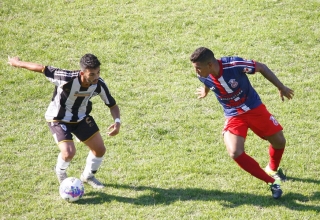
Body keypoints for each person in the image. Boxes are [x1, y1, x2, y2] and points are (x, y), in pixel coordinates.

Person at [190, 47, 294, 199]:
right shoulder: (203, 74)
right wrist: (205, 92)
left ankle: (272, 168)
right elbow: (207, 81)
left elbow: (261, 67)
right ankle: (272, 182)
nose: (196, 72)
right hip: (234, 115)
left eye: (198, 68)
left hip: (253, 107)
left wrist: (281, 87)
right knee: (234, 152)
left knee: (279, 142)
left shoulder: (233, 64)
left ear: (210, 65)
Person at [8, 54, 121, 189]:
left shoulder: (99, 84)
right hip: (58, 118)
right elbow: (42, 68)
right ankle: (61, 173)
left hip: (80, 118)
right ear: (82, 73)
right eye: (92, 74)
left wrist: (117, 121)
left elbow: (112, 105)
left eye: (98, 72)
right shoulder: (65, 77)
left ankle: (88, 176)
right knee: (68, 153)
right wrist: (18, 63)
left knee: (100, 149)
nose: (96, 77)